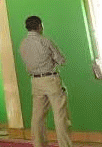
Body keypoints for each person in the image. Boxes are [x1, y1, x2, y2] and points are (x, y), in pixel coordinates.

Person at [18, 15, 72, 147]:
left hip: (35, 81)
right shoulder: (45, 41)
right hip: (50, 79)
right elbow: (61, 60)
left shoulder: (23, 44)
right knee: (60, 115)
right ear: (39, 26)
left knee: (37, 116)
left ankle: (38, 144)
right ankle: (65, 145)